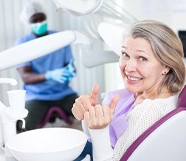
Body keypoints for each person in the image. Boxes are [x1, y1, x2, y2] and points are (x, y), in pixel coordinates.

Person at [72, 20, 186, 161]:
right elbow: (96, 140)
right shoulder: (142, 94)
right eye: (125, 54)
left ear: (166, 66)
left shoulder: (149, 112)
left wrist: (99, 130)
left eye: (142, 58)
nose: (129, 67)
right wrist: (92, 114)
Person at [15, 1, 78, 131]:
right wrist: (50, 75)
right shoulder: (23, 43)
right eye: (35, 20)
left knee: (88, 113)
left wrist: (71, 70)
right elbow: (25, 77)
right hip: (37, 97)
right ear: (28, 22)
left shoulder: (60, 38)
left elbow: (69, 66)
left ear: (46, 17)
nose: (39, 23)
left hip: (63, 94)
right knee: (22, 127)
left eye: (41, 18)